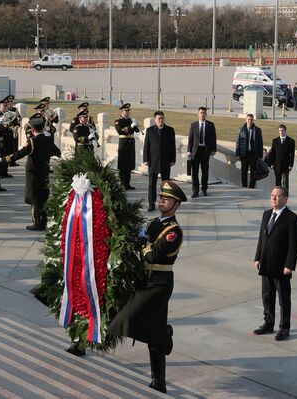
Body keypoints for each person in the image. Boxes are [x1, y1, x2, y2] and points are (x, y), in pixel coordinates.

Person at [107, 180, 186, 394]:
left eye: (167, 199)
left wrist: (142, 242)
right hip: (145, 280)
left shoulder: (174, 231)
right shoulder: (153, 223)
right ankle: (159, 381)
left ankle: (164, 337)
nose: (162, 201)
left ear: (176, 204)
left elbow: (153, 254)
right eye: (161, 197)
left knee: (125, 320)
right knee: (152, 329)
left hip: (159, 285)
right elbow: (142, 245)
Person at [253, 186, 297, 341]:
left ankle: (284, 328)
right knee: (267, 296)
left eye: (278, 196)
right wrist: (257, 257)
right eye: (272, 195)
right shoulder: (266, 214)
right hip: (266, 264)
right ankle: (268, 323)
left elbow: (295, 245)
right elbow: (262, 238)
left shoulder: (292, 218)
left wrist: (290, 265)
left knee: (283, 299)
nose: (273, 198)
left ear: (285, 199)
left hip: (281, 267)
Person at [2, 115, 61, 230]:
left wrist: (4, 159)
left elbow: (19, 154)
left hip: (33, 173)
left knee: (34, 197)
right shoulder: (48, 140)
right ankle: (43, 221)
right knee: (43, 196)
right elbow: (57, 152)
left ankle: (37, 223)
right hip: (44, 171)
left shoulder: (32, 142)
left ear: (33, 129)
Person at [143, 111, 176, 211]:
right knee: (152, 184)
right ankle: (151, 203)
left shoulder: (170, 130)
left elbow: (173, 147)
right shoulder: (150, 130)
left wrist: (172, 159)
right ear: (155, 119)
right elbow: (146, 146)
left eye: (162, 118)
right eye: (159, 119)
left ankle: (166, 203)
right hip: (153, 162)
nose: (161, 120)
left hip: (166, 162)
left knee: (166, 185)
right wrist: (146, 159)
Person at [187, 106, 217, 197]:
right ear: (198, 114)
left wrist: (213, 149)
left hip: (205, 151)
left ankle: (204, 189)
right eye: (201, 113)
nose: (202, 114)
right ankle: (195, 190)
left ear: (206, 114)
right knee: (194, 172)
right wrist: (189, 150)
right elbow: (190, 139)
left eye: (204, 113)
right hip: (195, 152)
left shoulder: (210, 125)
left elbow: (213, 138)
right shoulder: (193, 125)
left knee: (205, 171)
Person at [114, 103, 141, 190]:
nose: (128, 112)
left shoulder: (130, 120)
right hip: (124, 144)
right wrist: (130, 127)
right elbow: (120, 131)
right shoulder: (118, 121)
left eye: (128, 111)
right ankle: (122, 184)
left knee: (129, 165)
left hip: (131, 143)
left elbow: (137, 131)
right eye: (126, 111)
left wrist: (135, 124)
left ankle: (128, 184)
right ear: (122, 111)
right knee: (123, 165)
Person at [235, 114, 263, 189]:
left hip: (253, 154)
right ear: (246, 120)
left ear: (253, 120)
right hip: (244, 154)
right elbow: (238, 143)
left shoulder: (257, 130)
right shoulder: (241, 129)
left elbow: (260, 143)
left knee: (253, 172)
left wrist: (260, 156)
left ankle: (251, 187)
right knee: (244, 172)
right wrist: (237, 154)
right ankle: (244, 186)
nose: (250, 121)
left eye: (251, 119)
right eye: (248, 119)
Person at [267, 124, 295, 190]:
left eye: (282, 130)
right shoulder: (275, 141)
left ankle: (285, 194)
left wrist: (291, 164)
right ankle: (278, 193)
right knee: (278, 181)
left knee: (285, 182)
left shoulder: (291, 141)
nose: (281, 132)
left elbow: (292, 154)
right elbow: (272, 153)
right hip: (277, 164)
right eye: (280, 130)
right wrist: (271, 163)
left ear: (285, 131)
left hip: (286, 164)